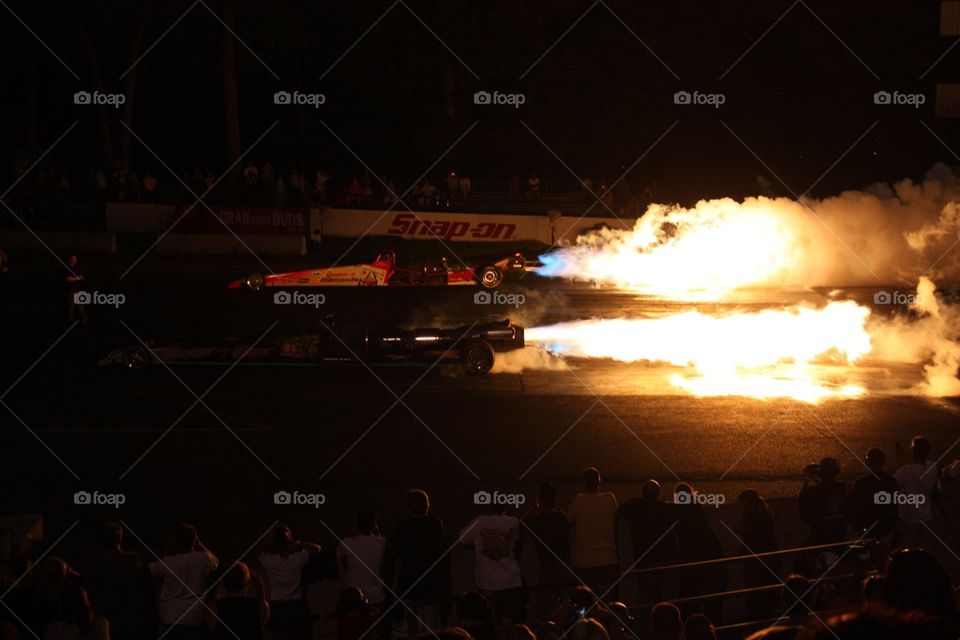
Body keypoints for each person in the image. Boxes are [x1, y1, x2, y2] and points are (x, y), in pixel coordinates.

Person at [148, 524, 219, 640]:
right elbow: (216, 560)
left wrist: (167, 548)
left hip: (170, 618)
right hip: (195, 618)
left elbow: (152, 569)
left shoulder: (169, 562)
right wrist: (199, 544)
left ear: (176, 540)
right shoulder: (204, 559)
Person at [459, 496, 523, 623]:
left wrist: (477, 544)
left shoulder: (479, 522)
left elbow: (462, 539)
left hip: (486, 581)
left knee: (489, 620)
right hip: (510, 580)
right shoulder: (514, 522)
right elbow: (518, 548)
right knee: (508, 622)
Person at [391, 489, 447, 635]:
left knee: (412, 628)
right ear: (426, 506)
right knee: (432, 627)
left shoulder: (402, 526)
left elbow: (396, 549)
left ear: (408, 507)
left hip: (409, 581)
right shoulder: (435, 523)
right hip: (431, 581)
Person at [617, 480, 680, 603]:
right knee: (668, 599)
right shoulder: (664, 507)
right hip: (668, 557)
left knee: (647, 599)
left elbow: (619, 511)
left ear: (643, 492)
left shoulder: (634, 506)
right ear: (657, 494)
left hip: (647, 559)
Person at [83, 522, 149, 640]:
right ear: (120, 538)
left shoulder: (95, 565)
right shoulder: (132, 560)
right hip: (130, 621)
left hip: (105, 620)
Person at [671, 483, 726, 622]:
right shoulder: (696, 507)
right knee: (711, 604)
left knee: (689, 601)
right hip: (710, 558)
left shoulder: (677, 510)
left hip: (692, 560)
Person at [258, 524, 319, 640]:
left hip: (277, 606)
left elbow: (258, 550)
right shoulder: (297, 559)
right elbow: (317, 548)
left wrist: (269, 537)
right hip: (297, 605)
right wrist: (299, 544)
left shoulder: (269, 560)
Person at [567, 468, 618, 596]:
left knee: (585, 600)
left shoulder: (579, 500)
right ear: (599, 481)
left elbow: (569, 521)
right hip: (608, 558)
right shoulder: (610, 499)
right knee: (607, 600)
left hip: (585, 560)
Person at [523, 483, 569, 618]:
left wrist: (533, 508)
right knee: (562, 606)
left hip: (546, 567)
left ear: (540, 501)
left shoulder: (536, 521)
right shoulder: (561, 517)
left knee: (544, 609)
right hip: (562, 567)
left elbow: (521, 524)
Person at [337, 510, 390, 608]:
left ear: (357, 524)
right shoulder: (382, 543)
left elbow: (342, 570)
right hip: (377, 596)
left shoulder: (345, 544)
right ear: (374, 524)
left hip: (353, 597)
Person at [737, 489, 777, 620]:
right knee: (767, 597)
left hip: (755, 566)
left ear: (748, 503)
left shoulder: (753, 519)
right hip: (769, 562)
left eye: (743, 504)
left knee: (755, 597)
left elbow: (741, 531)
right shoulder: (765, 514)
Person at [893, 436, 939, 548]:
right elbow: (916, 467)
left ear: (915, 451)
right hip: (926, 515)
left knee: (908, 549)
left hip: (909, 517)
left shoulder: (905, 472)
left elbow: (893, 483)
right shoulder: (933, 467)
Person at [207, 562, 269, 640]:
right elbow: (262, 623)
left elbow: (213, 629)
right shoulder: (261, 606)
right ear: (248, 582)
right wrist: (260, 587)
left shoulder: (214, 607)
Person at [797, 457, 848, 544]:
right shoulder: (844, 488)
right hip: (839, 535)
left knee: (805, 554)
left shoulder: (813, 491)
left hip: (820, 536)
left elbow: (801, 506)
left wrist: (807, 480)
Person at [43, 584, 110, 640]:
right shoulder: (54, 631)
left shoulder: (99, 626)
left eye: (86, 608)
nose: (86, 614)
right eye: (79, 610)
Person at [64, 255, 88, 323]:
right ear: (70, 260)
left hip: (78, 290)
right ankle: (71, 319)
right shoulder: (66, 268)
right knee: (71, 306)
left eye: (75, 259)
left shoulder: (77, 268)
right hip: (71, 290)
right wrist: (77, 278)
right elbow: (67, 279)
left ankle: (85, 317)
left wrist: (81, 278)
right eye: (73, 259)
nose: (75, 261)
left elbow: (83, 279)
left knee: (80, 306)